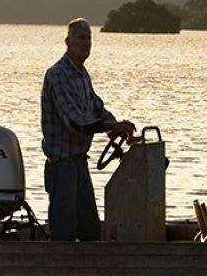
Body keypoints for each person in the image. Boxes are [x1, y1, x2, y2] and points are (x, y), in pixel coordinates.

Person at [40, 17, 135, 242]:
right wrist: (112, 126)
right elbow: (76, 123)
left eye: (89, 38)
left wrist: (121, 131)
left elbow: (97, 109)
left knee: (90, 231)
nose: (86, 43)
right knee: (64, 233)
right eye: (81, 38)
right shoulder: (57, 75)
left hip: (80, 163)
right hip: (62, 165)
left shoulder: (82, 75)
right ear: (68, 41)